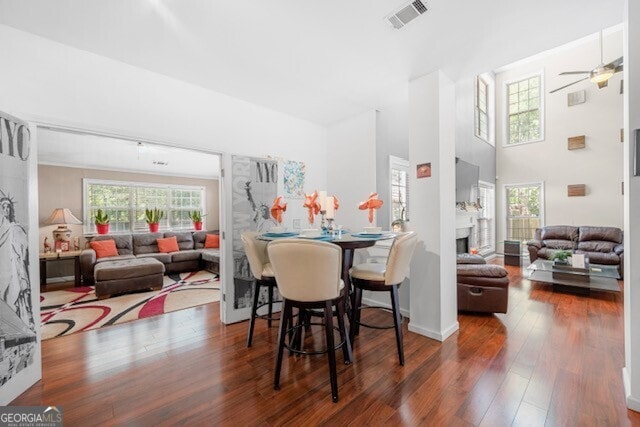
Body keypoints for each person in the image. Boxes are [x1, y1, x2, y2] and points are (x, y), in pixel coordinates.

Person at [0, 195, 34, 331]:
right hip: (4, 262)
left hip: (15, 262)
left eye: (8, 206)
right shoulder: (3, 229)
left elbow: (24, 246)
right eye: (3, 207)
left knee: (18, 289)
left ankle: (22, 320)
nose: (6, 209)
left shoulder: (15, 227)